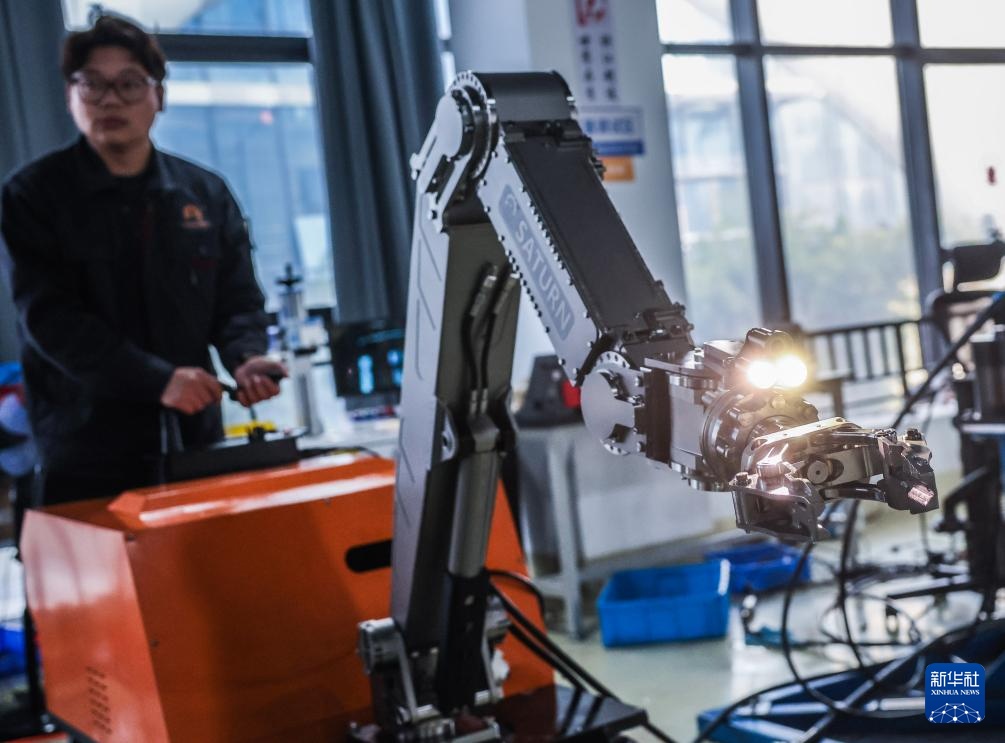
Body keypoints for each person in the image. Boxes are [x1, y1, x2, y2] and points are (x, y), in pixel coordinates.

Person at [0, 14, 286, 505]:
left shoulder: (204, 193)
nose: (111, 100)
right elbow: (52, 320)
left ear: (160, 95)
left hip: (195, 438)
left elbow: (237, 298)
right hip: (86, 448)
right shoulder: (32, 196)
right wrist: (158, 382)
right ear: (70, 95)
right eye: (92, 84)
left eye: (130, 83)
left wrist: (247, 358)